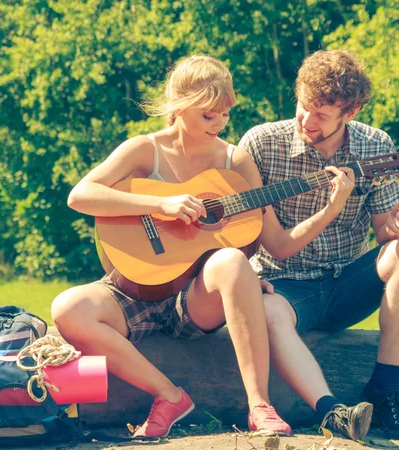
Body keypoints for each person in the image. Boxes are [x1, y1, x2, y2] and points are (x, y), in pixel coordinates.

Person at [51, 55, 298, 438]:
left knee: (233, 262)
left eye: (225, 115)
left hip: (194, 300)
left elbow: (268, 239)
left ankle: (260, 405)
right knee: (67, 308)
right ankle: (169, 395)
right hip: (132, 288)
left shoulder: (237, 162)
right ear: (179, 108)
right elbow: (80, 195)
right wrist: (160, 203)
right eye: (208, 116)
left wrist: (249, 281)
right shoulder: (144, 150)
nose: (220, 125)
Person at [238, 50, 399, 442]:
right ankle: (333, 413)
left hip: (346, 281)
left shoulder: (376, 144)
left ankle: (384, 390)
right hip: (284, 285)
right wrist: (331, 208)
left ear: (352, 111)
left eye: (321, 115)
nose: (307, 121)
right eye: (303, 107)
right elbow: (275, 249)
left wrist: (396, 224)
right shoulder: (260, 144)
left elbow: (384, 233)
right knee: (268, 310)